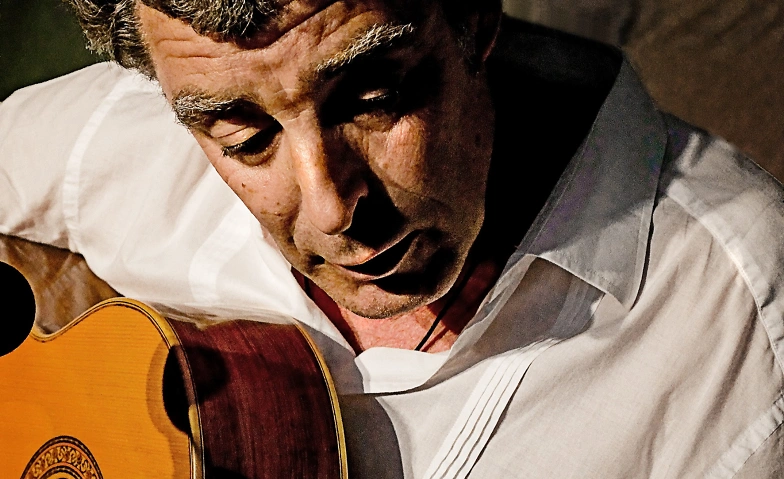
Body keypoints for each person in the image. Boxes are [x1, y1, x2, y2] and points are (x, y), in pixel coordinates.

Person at [1, 0, 783, 476]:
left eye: (373, 98)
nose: (332, 207)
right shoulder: (139, 120)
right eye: (245, 140)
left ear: (473, 16)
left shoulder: (745, 328)